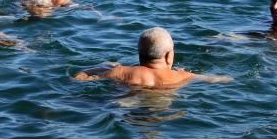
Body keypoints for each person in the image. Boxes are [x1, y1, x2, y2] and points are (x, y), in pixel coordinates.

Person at [74, 27, 232, 89]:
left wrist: (104, 66)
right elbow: (219, 79)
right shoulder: (182, 76)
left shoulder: (122, 72)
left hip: (128, 107)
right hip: (163, 110)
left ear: (139, 54)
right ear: (169, 55)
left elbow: (79, 78)